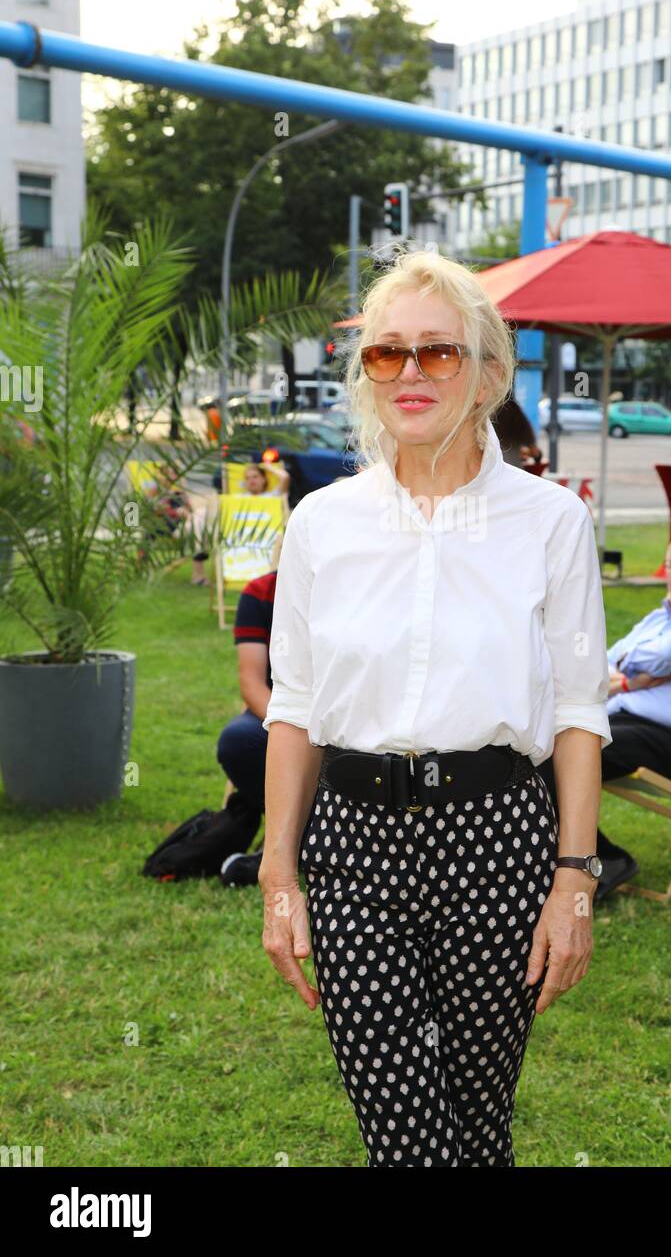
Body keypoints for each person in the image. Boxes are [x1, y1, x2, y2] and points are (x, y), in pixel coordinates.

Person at [259, 250, 611, 1169]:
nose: (410, 374)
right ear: (364, 374)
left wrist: (574, 881)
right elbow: (291, 709)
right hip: (353, 844)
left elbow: (578, 711)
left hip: (497, 839)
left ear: (490, 372)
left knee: (478, 1119)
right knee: (404, 1131)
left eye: (439, 353)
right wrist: (277, 873)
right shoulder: (321, 523)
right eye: (386, 355)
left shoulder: (550, 521)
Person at [538, 530, 671, 897]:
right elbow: (597, 665)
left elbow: (662, 654)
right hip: (622, 720)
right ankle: (567, 861)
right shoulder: (658, 618)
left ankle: (605, 863)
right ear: (666, 570)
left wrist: (628, 667)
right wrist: (629, 681)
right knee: (535, 748)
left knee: (559, 760)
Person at [216, 535, 284, 888]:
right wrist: (293, 728)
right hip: (282, 709)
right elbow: (252, 683)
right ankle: (300, 838)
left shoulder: (364, 588)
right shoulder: (261, 593)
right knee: (238, 740)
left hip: (353, 715)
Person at [490, 394, 544, 469]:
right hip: (514, 470)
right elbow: (535, 453)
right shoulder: (518, 420)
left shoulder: (489, 420)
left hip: (493, 472)